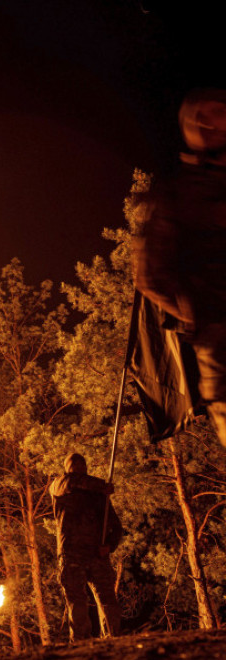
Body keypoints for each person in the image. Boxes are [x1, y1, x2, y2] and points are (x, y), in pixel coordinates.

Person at [134, 88, 226, 446]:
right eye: (198, 117)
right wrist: (201, 318)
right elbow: (150, 276)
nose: (207, 123)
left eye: (217, 113)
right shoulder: (174, 196)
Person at [49, 453, 123, 641]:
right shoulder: (60, 485)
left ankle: (114, 640)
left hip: (97, 555)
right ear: (66, 468)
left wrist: (109, 546)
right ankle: (81, 643)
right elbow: (73, 480)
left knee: (108, 600)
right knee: (78, 602)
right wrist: (102, 486)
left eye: (82, 462)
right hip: (72, 555)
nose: (79, 466)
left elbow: (116, 526)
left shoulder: (99, 497)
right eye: (74, 463)